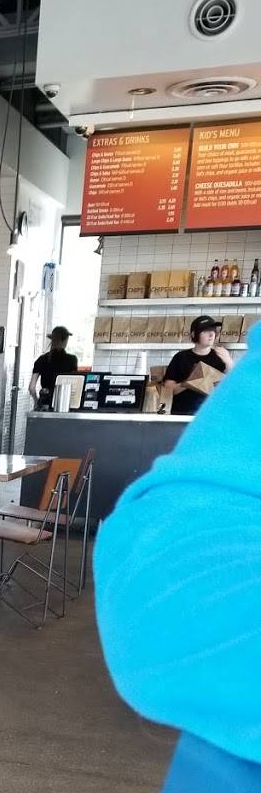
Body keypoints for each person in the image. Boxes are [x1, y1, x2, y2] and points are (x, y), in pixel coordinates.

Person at [94, 320, 260, 761]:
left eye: (216, 332)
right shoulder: (186, 361)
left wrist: (227, 365)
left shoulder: (228, 360)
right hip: (188, 429)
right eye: (207, 332)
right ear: (194, 335)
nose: (212, 337)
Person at [162, 314, 232, 416]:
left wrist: (229, 362)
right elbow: (168, 389)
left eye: (213, 330)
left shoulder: (221, 356)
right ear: (194, 334)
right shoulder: (181, 357)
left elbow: (234, 386)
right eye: (206, 331)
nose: (211, 334)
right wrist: (189, 382)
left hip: (212, 414)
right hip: (182, 414)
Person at [29, 326, 78, 408]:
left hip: (45, 403)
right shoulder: (71, 360)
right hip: (64, 404)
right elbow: (75, 384)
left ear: (52, 340)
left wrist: (36, 401)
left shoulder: (41, 359)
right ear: (65, 341)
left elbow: (31, 387)